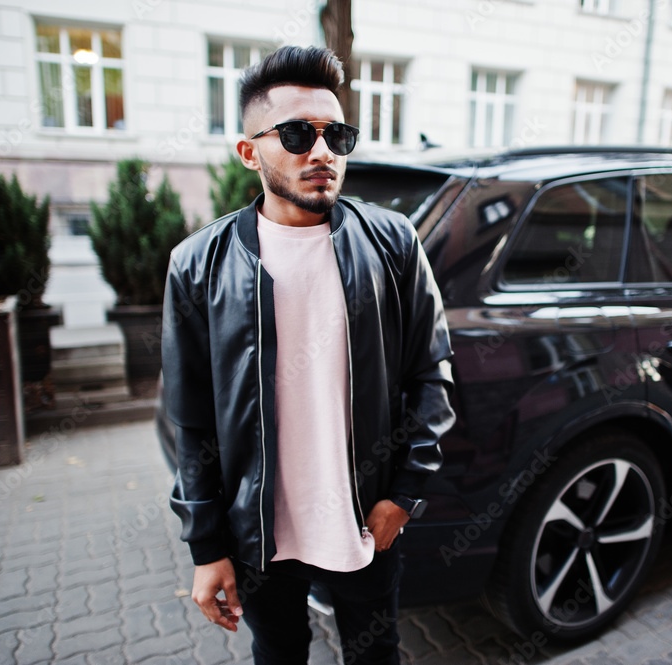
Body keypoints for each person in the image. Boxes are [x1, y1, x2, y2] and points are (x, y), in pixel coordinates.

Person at [161, 45, 455, 665]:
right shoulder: (198, 264)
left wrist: (403, 494)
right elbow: (190, 418)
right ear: (249, 152)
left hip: (365, 522)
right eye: (297, 134)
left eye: (336, 134)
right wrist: (206, 546)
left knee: (377, 655)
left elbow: (432, 373)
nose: (321, 152)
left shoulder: (392, 242)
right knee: (279, 653)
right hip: (257, 534)